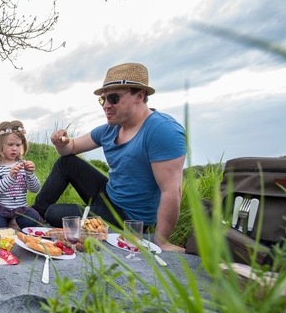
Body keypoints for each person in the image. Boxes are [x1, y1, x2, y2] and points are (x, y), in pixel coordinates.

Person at [31, 63, 187, 251]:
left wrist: (161, 242)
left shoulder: (162, 130)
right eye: (102, 100)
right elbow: (70, 148)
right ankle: (31, 217)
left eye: (113, 98)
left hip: (127, 217)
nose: (106, 105)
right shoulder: (110, 129)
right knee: (67, 162)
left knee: (54, 213)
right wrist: (61, 144)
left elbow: (171, 191)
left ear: (140, 95)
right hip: (108, 195)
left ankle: (48, 215)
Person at [0, 120, 45, 229]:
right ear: (0, 145)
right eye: (10, 144)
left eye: (18, 145)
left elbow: (35, 189)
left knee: (32, 219)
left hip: (20, 209)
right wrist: (9, 177)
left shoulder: (23, 164)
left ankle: (12, 223)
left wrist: (30, 174)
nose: (15, 148)